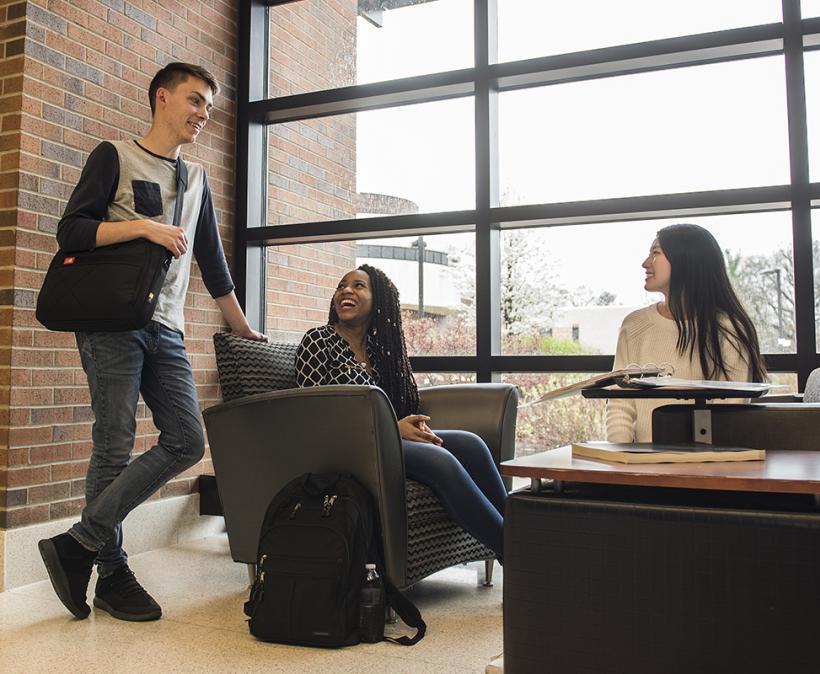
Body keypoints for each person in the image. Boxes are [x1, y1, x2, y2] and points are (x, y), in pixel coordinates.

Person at [38, 63, 266, 622]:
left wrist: (240, 326)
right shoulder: (114, 155)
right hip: (111, 323)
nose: (203, 115)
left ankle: (79, 542)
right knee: (113, 446)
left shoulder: (199, 181)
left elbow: (211, 261)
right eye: (194, 101)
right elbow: (71, 231)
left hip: (166, 329)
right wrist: (142, 227)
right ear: (161, 98)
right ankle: (113, 572)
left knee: (187, 440)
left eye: (209, 107)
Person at [296, 265, 506, 561]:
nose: (346, 290)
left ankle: (520, 536)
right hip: (347, 449)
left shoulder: (381, 351)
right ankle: (519, 555)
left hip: (385, 441)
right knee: (441, 461)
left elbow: (397, 406)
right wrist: (393, 429)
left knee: (471, 444)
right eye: (342, 285)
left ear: (378, 300)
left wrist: (413, 426)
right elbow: (313, 415)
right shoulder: (318, 341)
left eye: (358, 286)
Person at [606, 223, 766, 443]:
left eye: (655, 253)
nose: (645, 263)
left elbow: (728, 413)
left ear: (686, 260)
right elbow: (619, 405)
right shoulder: (634, 324)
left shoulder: (729, 330)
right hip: (641, 468)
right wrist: (620, 462)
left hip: (707, 467)